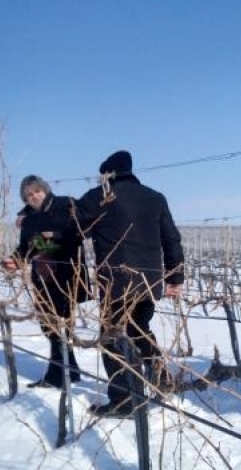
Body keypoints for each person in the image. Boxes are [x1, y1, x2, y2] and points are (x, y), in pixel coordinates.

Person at [74, 150, 184, 417]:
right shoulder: (155, 198)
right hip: (148, 282)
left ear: (108, 173)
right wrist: (175, 277)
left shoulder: (101, 196)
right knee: (139, 329)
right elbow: (171, 239)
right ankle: (162, 380)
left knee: (112, 337)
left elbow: (75, 227)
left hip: (115, 282)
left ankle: (124, 401)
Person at [1, 175, 89, 389]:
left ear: (45, 189)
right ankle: (69, 370)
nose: (34, 197)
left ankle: (58, 375)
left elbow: (79, 233)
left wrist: (51, 237)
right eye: (28, 195)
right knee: (48, 325)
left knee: (61, 324)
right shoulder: (29, 218)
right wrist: (16, 260)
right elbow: (27, 247)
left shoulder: (66, 204)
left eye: (37, 191)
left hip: (66, 274)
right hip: (42, 277)